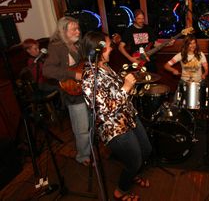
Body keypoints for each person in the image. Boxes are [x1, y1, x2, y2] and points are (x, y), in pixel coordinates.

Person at [80, 31, 152, 201]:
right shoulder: (89, 77)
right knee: (134, 160)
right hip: (114, 127)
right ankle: (121, 191)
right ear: (99, 49)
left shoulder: (105, 65)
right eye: (108, 45)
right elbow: (104, 108)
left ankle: (133, 173)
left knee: (146, 150)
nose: (111, 48)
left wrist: (131, 82)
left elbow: (116, 90)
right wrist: (126, 87)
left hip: (129, 116)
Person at [43, 16, 91, 166]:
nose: (78, 31)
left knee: (90, 123)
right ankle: (83, 156)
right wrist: (73, 74)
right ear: (63, 31)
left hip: (84, 89)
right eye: (74, 29)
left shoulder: (77, 44)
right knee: (81, 128)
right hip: (72, 92)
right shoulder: (56, 46)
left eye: (78, 28)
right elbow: (47, 70)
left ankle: (89, 150)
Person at [164, 34, 209, 108]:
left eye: (194, 43)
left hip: (198, 82)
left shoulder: (201, 54)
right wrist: (173, 70)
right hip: (184, 82)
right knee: (178, 105)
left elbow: (206, 69)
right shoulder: (181, 55)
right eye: (190, 43)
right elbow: (166, 65)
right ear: (186, 45)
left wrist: (204, 74)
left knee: (202, 104)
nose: (192, 45)